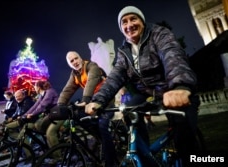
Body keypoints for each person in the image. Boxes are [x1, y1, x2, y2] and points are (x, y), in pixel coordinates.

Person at [85, 6, 200, 166]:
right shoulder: (124, 51)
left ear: (143, 22)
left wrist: (179, 86)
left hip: (172, 90)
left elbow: (172, 56)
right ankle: (146, 158)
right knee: (129, 112)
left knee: (185, 139)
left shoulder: (159, 34)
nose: (129, 24)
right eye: (124, 22)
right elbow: (114, 77)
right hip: (147, 94)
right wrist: (98, 100)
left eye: (133, 19)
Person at [45, 51, 117, 166]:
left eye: (76, 58)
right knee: (79, 118)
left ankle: (111, 161)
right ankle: (100, 139)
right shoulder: (74, 74)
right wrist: (59, 106)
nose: (75, 62)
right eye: (71, 61)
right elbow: (67, 90)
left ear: (80, 58)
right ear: (69, 64)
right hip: (90, 102)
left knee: (103, 125)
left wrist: (85, 99)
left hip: (105, 100)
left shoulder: (91, 66)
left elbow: (91, 81)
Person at [22, 80, 60, 148]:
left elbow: (42, 105)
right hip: (51, 115)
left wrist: (32, 114)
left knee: (49, 133)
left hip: (58, 114)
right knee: (41, 127)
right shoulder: (42, 95)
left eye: (34, 86)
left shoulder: (49, 92)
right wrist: (25, 115)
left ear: (38, 87)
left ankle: (58, 155)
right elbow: (35, 106)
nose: (34, 88)